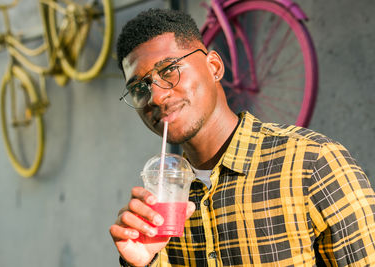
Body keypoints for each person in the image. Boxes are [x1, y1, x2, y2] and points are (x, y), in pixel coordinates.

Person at [109, 8, 375, 267]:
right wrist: (145, 262)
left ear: (213, 66)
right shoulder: (163, 204)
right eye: (139, 87)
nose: (156, 96)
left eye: (169, 70)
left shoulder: (312, 163)